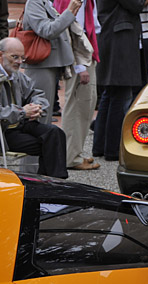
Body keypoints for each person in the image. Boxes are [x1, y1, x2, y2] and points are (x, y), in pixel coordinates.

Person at [0, 37, 69, 178]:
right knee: (51, 146)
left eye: (22, 58)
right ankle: (53, 182)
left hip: (21, 123)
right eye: (15, 57)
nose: (20, 62)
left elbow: (37, 93)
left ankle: (51, 181)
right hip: (2, 131)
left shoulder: (17, 76)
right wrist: (22, 112)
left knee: (56, 134)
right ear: (0, 55)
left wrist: (37, 107)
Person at [92, 0, 143, 162]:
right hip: (119, 38)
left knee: (110, 94)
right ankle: (112, 149)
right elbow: (136, 5)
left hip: (112, 35)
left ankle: (100, 147)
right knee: (118, 96)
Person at [22, 0, 82, 125]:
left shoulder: (46, 2)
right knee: (39, 115)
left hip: (50, 63)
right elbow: (47, 30)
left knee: (45, 114)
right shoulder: (34, 3)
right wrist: (69, 12)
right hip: (40, 64)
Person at [56, 0, 99, 170]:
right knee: (77, 106)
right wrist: (80, 66)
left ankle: (75, 153)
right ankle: (71, 157)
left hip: (85, 56)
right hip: (80, 60)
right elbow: (72, 31)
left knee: (84, 106)